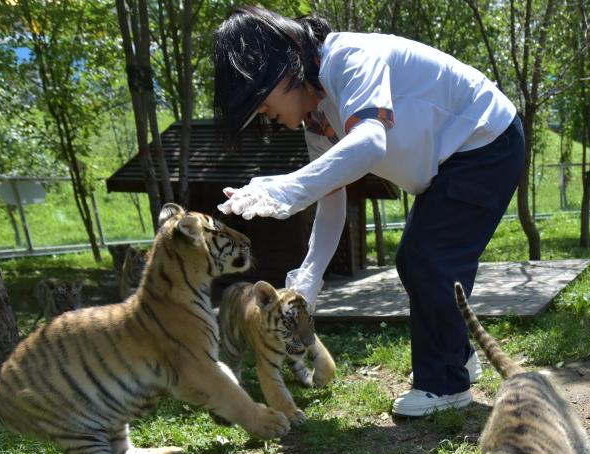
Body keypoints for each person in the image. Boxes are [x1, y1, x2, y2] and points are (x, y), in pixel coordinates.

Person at [212, 6, 523, 417]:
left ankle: (446, 385)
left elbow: (369, 142)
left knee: (426, 258)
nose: (266, 118)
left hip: (487, 142)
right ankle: (458, 360)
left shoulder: (349, 59)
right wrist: (309, 277)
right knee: (421, 260)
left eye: (261, 105)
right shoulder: (317, 115)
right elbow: (332, 194)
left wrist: (287, 187)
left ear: (281, 70)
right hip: (455, 161)